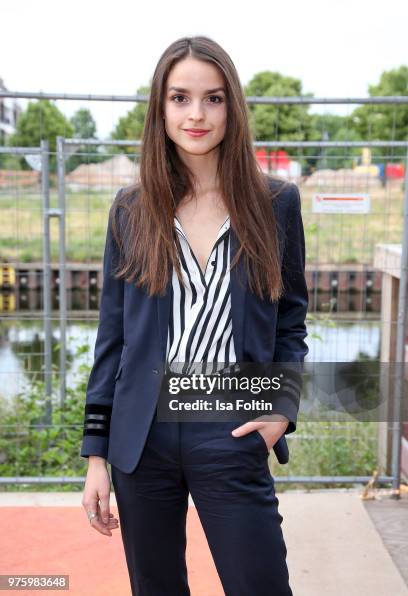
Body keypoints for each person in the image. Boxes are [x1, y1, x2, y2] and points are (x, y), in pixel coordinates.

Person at [80, 35, 308, 596]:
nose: (197, 114)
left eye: (214, 98)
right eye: (180, 98)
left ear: (233, 107)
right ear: (161, 107)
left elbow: (291, 321)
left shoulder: (275, 203)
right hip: (143, 438)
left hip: (231, 422)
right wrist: (95, 456)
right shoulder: (132, 210)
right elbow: (112, 339)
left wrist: (280, 411)